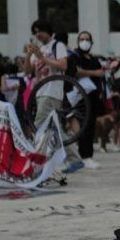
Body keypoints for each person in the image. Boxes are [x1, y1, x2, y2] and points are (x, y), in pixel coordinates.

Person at [27, 20, 84, 174]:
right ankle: (75, 159)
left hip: (51, 92)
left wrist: (43, 58)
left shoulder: (57, 45)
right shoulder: (40, 49)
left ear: (48, 31)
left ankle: (35, 166)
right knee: (55, 129)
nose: (38, 34)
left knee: (39, 127)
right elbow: (28, 71)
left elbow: (63, 66)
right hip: (41, 92)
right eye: (35, 32)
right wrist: (29, 55)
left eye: (40, 31)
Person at [70, 31, 114, 169]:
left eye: (87, 39)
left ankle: (88, 155)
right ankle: (85, 156)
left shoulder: (92, 58)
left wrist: (102, 70)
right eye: (82, 39)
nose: (84, 42)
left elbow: (98, 73)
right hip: (82, 95)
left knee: (90, 126)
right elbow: (76, 71)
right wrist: (95, 73)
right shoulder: (75, 56)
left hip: (93, 96)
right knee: (85, 125)